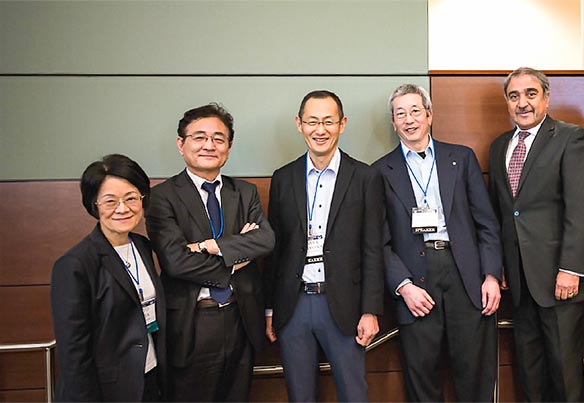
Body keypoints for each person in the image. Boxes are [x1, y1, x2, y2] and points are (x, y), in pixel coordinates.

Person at [373, 84, 503, 401]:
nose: (409, 119)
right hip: (416, 279)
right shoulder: (379, 171)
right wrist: (403, 285)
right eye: (400, 113)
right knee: (422, 377)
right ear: (393, 122)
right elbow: (378, 240)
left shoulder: (461, 158)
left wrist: (490, 275)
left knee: (474, 373)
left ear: (429, 115)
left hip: (466, 276)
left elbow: (485, 221)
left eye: (415, 110)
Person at [145, 103, 275, 401]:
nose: (209, 145)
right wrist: (237, 258)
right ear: (181, 144)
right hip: (193, 323)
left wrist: (209, 246)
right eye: (199, 137)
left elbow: (265, 241)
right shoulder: (161, 197)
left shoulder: (244, 192)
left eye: (219, 138)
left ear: (228, 147)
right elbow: (176, 261)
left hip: (241, 317)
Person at [265, 90, 385, 402]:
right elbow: (275, 250)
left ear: (342, 124)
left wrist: (370, 309)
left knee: (353, 394)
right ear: (299, 124)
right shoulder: (283, 178)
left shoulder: (365, 177)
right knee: (299, 395)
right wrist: (269, 308)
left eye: (328, 121)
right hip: (294, 305)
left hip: (343, 304)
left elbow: (373, 247)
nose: (320, 129)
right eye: (312, 121)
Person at [488, 67, 584, 402]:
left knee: (565, 376)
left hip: (560, 280)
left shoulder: (570, 138)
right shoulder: (499, 147)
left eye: (531, 94)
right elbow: (505, 214)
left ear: (546, 98)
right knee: (530, 374)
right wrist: (504, 266)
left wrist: (572, 269)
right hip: (520, 284)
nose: (522, 103)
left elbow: (582, 209)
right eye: (514, 96)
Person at [51, 154, 166, 401]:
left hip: (148, 376)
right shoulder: (74, 265)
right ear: (94, 205)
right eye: (110, 201)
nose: (123, 208)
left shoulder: (142, 245)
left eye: (131, 198)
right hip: (106, 390)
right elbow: (74, 354)